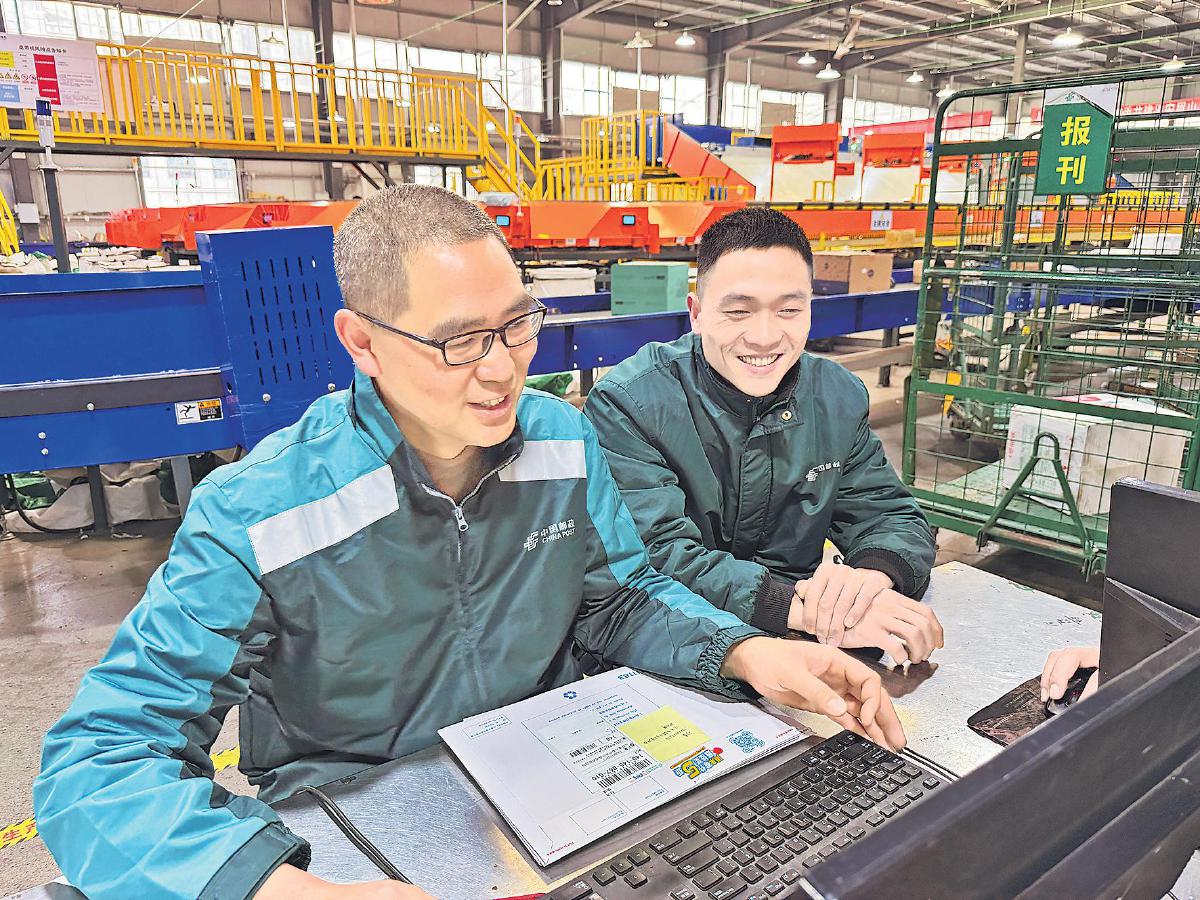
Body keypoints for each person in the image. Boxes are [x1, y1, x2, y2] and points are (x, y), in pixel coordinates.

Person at [34, 186, 906, 900]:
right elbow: (99, 763)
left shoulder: (562, 439)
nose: (501, 368)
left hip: (559, 785)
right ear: (362, 342)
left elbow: (622, 597)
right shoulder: (259, 512)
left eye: (517, 325)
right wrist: (285, 890)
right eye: (458, 341)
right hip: (359, 812)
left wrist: (748, 652)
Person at [585, 206, 943, 665]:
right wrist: (801, 608)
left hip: (801, 640)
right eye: (738, 311)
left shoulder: (836, 397)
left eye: (789, 310)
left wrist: (867, 582)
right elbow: (655, 555)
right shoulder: (631, 403)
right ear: (696, 313)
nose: (765, 337)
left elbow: (889, 514)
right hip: (674, 646)